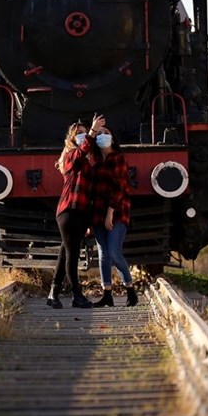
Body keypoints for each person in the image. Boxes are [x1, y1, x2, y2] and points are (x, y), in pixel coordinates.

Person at [47, 114, 105, 309]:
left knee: (65, 252)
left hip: (81, 212)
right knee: (72, 254)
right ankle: (77, 296)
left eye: (84, 133)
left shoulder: (91, 159)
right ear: (72, 138)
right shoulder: (71, 156)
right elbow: (81, 152)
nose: (82, 136)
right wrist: (92, 131)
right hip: (68, 210)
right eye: (78, 133)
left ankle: (53, 293)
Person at [89, 124, 138, 307]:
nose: (102, 135)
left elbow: (120, 187)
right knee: (103, 255)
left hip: (116, 211)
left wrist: (110, 212)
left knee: (115, 253)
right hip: (97, 213)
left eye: (106, 133)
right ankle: (107, 295)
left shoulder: (118, 158)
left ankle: (130, 290)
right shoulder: (95, 163)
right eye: (99, 133)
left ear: (112, 138)